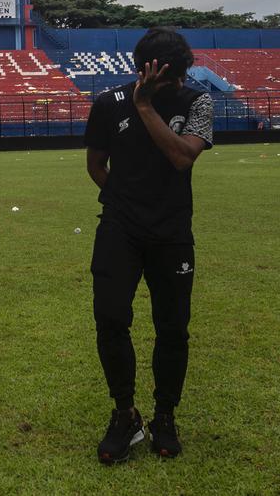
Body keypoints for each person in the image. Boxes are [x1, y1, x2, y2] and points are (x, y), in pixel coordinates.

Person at [82, 27, 214, 464]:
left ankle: (164, 416)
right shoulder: (107, 104)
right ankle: (125, 414)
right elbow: (97, 167)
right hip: (120, 229)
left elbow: (182, 157)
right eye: (166, 76)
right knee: (110, 317)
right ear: (144, 70)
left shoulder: (197, 101)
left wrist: (145, 105)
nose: (175, 83)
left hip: (173, 232)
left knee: (172, 327)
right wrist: (127, 201)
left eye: (179, 75)